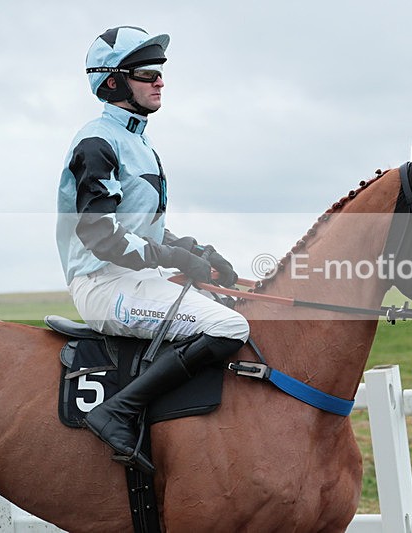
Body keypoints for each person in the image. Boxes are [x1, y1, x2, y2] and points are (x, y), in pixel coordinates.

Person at [56, 26, 250, 475]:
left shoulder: (139, 143)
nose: (159, 80)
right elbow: (101, 236)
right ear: (112, 83)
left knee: (235, 304)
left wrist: (200, 250)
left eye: (160, 72)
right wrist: (179, 259)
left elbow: (146, 232)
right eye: (146, 73)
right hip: (102, 285)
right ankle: (116, 412)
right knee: (229, 326)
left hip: (140, 279)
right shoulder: (97, 142)